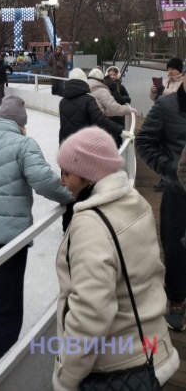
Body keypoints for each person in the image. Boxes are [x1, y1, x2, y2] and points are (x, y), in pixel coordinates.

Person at [53, 127, 179, 391]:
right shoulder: (136, 201)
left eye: (67, 173)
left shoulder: (91, 225)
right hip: (154, 348)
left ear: (89, 176)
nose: (62, 181)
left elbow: (89, 315)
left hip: (117, 365)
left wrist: (66, 378)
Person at [0, 96, 72, 371]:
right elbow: (45, 181)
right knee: (8, 300)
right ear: (21, 124)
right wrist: (70, 196)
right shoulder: (23, 144)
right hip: (9, 239)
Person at [136, 72, 186, 332]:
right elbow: (144, 142)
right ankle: (176, 300)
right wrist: (169, 168)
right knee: (176, 249)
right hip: (178, 193)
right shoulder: (167, 106)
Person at [59, 68, 133, 144]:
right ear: (84, 81)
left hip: (66, 144)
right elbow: (101, 119)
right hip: (84, 143)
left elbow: (64, 127)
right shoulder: (88, 99)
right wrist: (120, 131)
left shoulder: (62, 102)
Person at [149, 57, 184, 191]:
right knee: (162, 149)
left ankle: (176, 179)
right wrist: (153, 91)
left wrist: (162, 89)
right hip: (162, 118)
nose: (170, 72)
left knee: (176, 150)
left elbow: (176, 96)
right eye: (168, 69)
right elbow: (154, 98)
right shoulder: (164, 82)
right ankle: (164, 178)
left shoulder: (182, 83)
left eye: (173, 69)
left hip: (176, 120)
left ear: (179, 70)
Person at [103, 65, 132, 147]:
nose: (112, 76)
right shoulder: (104, 87)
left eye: (114, 74)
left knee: (118, 138)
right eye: (110, 75)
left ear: (117, 75)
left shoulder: (121, 87)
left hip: (119, 117)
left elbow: (128, 98)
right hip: (108, 116)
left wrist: (120, 98)